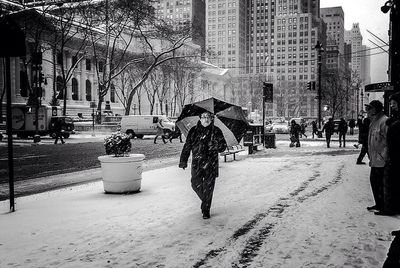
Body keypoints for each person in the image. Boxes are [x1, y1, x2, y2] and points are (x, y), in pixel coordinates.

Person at [179, 111, 227, 219]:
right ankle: (205, 201)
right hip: (197, 162)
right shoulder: (193, 131)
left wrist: (215, 145)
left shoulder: (216, 131)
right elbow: (187, 146)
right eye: (204, 116)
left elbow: (223, 147)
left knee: (208, 188)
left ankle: (206, 210)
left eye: (209, 117)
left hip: (211, 163)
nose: (206, 119)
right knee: (195, 183)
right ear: (200, 118)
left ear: (212, 118)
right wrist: (183, 161)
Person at [364, 100, 388, 215]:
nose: (367, 111)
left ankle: (383, 205)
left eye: (370, 108)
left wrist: (384, 156)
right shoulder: (374, 121)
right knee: (374, 182)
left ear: (375, 109)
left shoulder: (384, 121)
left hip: (381, 160)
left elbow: (389, 141)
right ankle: (379, 204)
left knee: (380, 184)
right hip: (375, 159)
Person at [381, 92, 400, 216]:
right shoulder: (395, 119)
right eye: (391, 104)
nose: (392, 106)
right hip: (393, 157)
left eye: (394, 104)